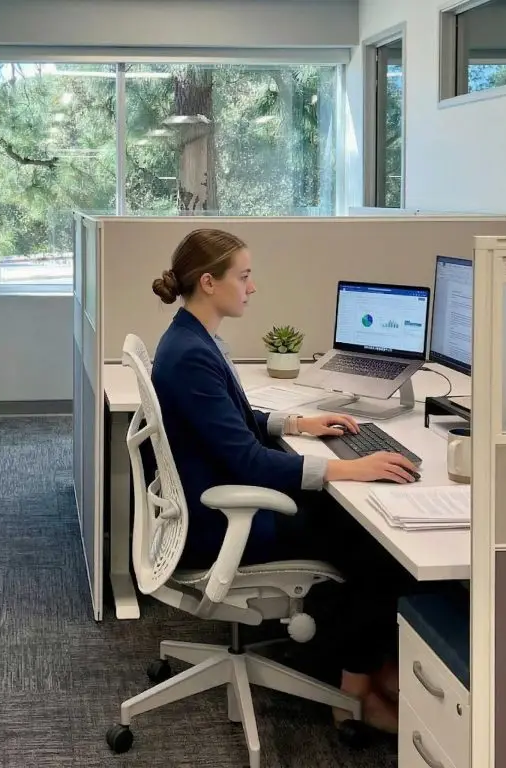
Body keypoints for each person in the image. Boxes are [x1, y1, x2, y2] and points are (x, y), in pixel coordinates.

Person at [150, 228, 419, 734]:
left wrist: (297, 424)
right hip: (220, 522)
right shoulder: (190, 354)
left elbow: (231, 421)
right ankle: (356, 695)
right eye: (244, 276)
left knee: (351, 526)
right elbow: (249, 462)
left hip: (207, 502)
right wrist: (350, 468)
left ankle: (377, 667)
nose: (252, 287)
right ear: (208, 282)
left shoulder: (191, 338)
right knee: (375, 550)